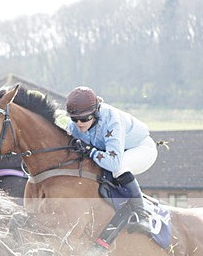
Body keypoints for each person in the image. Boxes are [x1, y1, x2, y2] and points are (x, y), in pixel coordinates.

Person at [65, 86, 157, 234]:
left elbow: (113, 163)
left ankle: (142, 216)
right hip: (113, 152)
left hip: (141, 149)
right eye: (74, 119)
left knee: (118, 168)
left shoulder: (111, 120)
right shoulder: (73, 126)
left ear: (95, 113)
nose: (79, 124)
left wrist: (90, 150)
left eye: (84, 119)